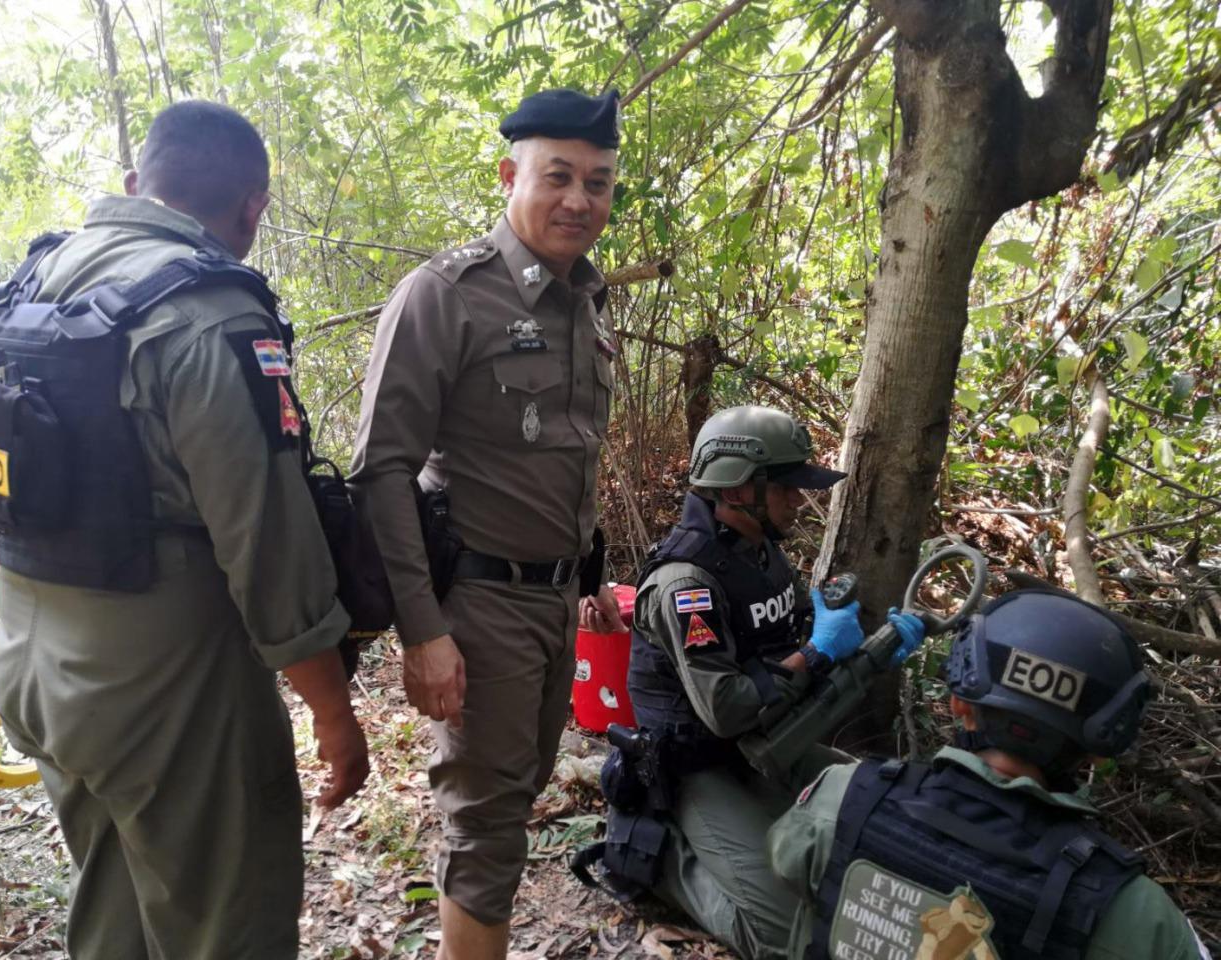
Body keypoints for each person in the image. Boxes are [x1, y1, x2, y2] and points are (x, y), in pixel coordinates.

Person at [0, 101, 368, 960]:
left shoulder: (29, 282)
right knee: (226, 928)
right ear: (253, 207)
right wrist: (331, 708)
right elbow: (266, 540)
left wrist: (3, 606)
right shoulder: (209, 311)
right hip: (168, 690)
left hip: (34, 663)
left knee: (115, 910)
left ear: (138, 183)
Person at [348, 88, 623, 960]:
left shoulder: (583, 299)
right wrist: (423, 633)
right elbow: (381, 471)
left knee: (515, 796)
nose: (578, 200)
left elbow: (564, 456)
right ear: (509, 176)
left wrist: (589, 580)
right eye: (558, 177)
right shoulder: (446, 295)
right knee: (487, 829)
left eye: (598, 182)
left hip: (553, 603)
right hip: (480, 602)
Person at [581, 405, 926, 960]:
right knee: (784, 936)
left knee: (885, 811)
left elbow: (787, 644)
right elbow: (727, 708)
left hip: (763, 745)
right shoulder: (686, 583)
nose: (799, 500)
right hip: (696, 766)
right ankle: (660, 857)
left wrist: (868, 650)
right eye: (786, 486)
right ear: (738, 489)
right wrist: (816, 652)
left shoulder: (759, 551)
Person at [768, 589, 1212, 959]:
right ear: (1097, 753)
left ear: (959, 704)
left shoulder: (844, 797)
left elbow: (785, 861)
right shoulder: (1131, 912)